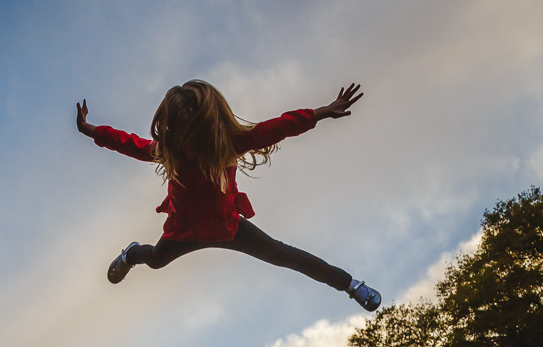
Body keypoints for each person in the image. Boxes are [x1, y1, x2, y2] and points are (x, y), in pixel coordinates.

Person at [75, 80, 381, 311]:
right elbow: (126, 142)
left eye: (190, 125)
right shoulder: (168, 152)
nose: (186, 135)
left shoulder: (228, 145)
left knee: (284, 255)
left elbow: (277, 127)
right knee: (154, 260)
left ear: (206, 123)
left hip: (229, 228)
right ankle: (131, 254)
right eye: (178, 127)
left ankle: (350, 285)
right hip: (183, 233)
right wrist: (90, 130)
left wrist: (320, 113)